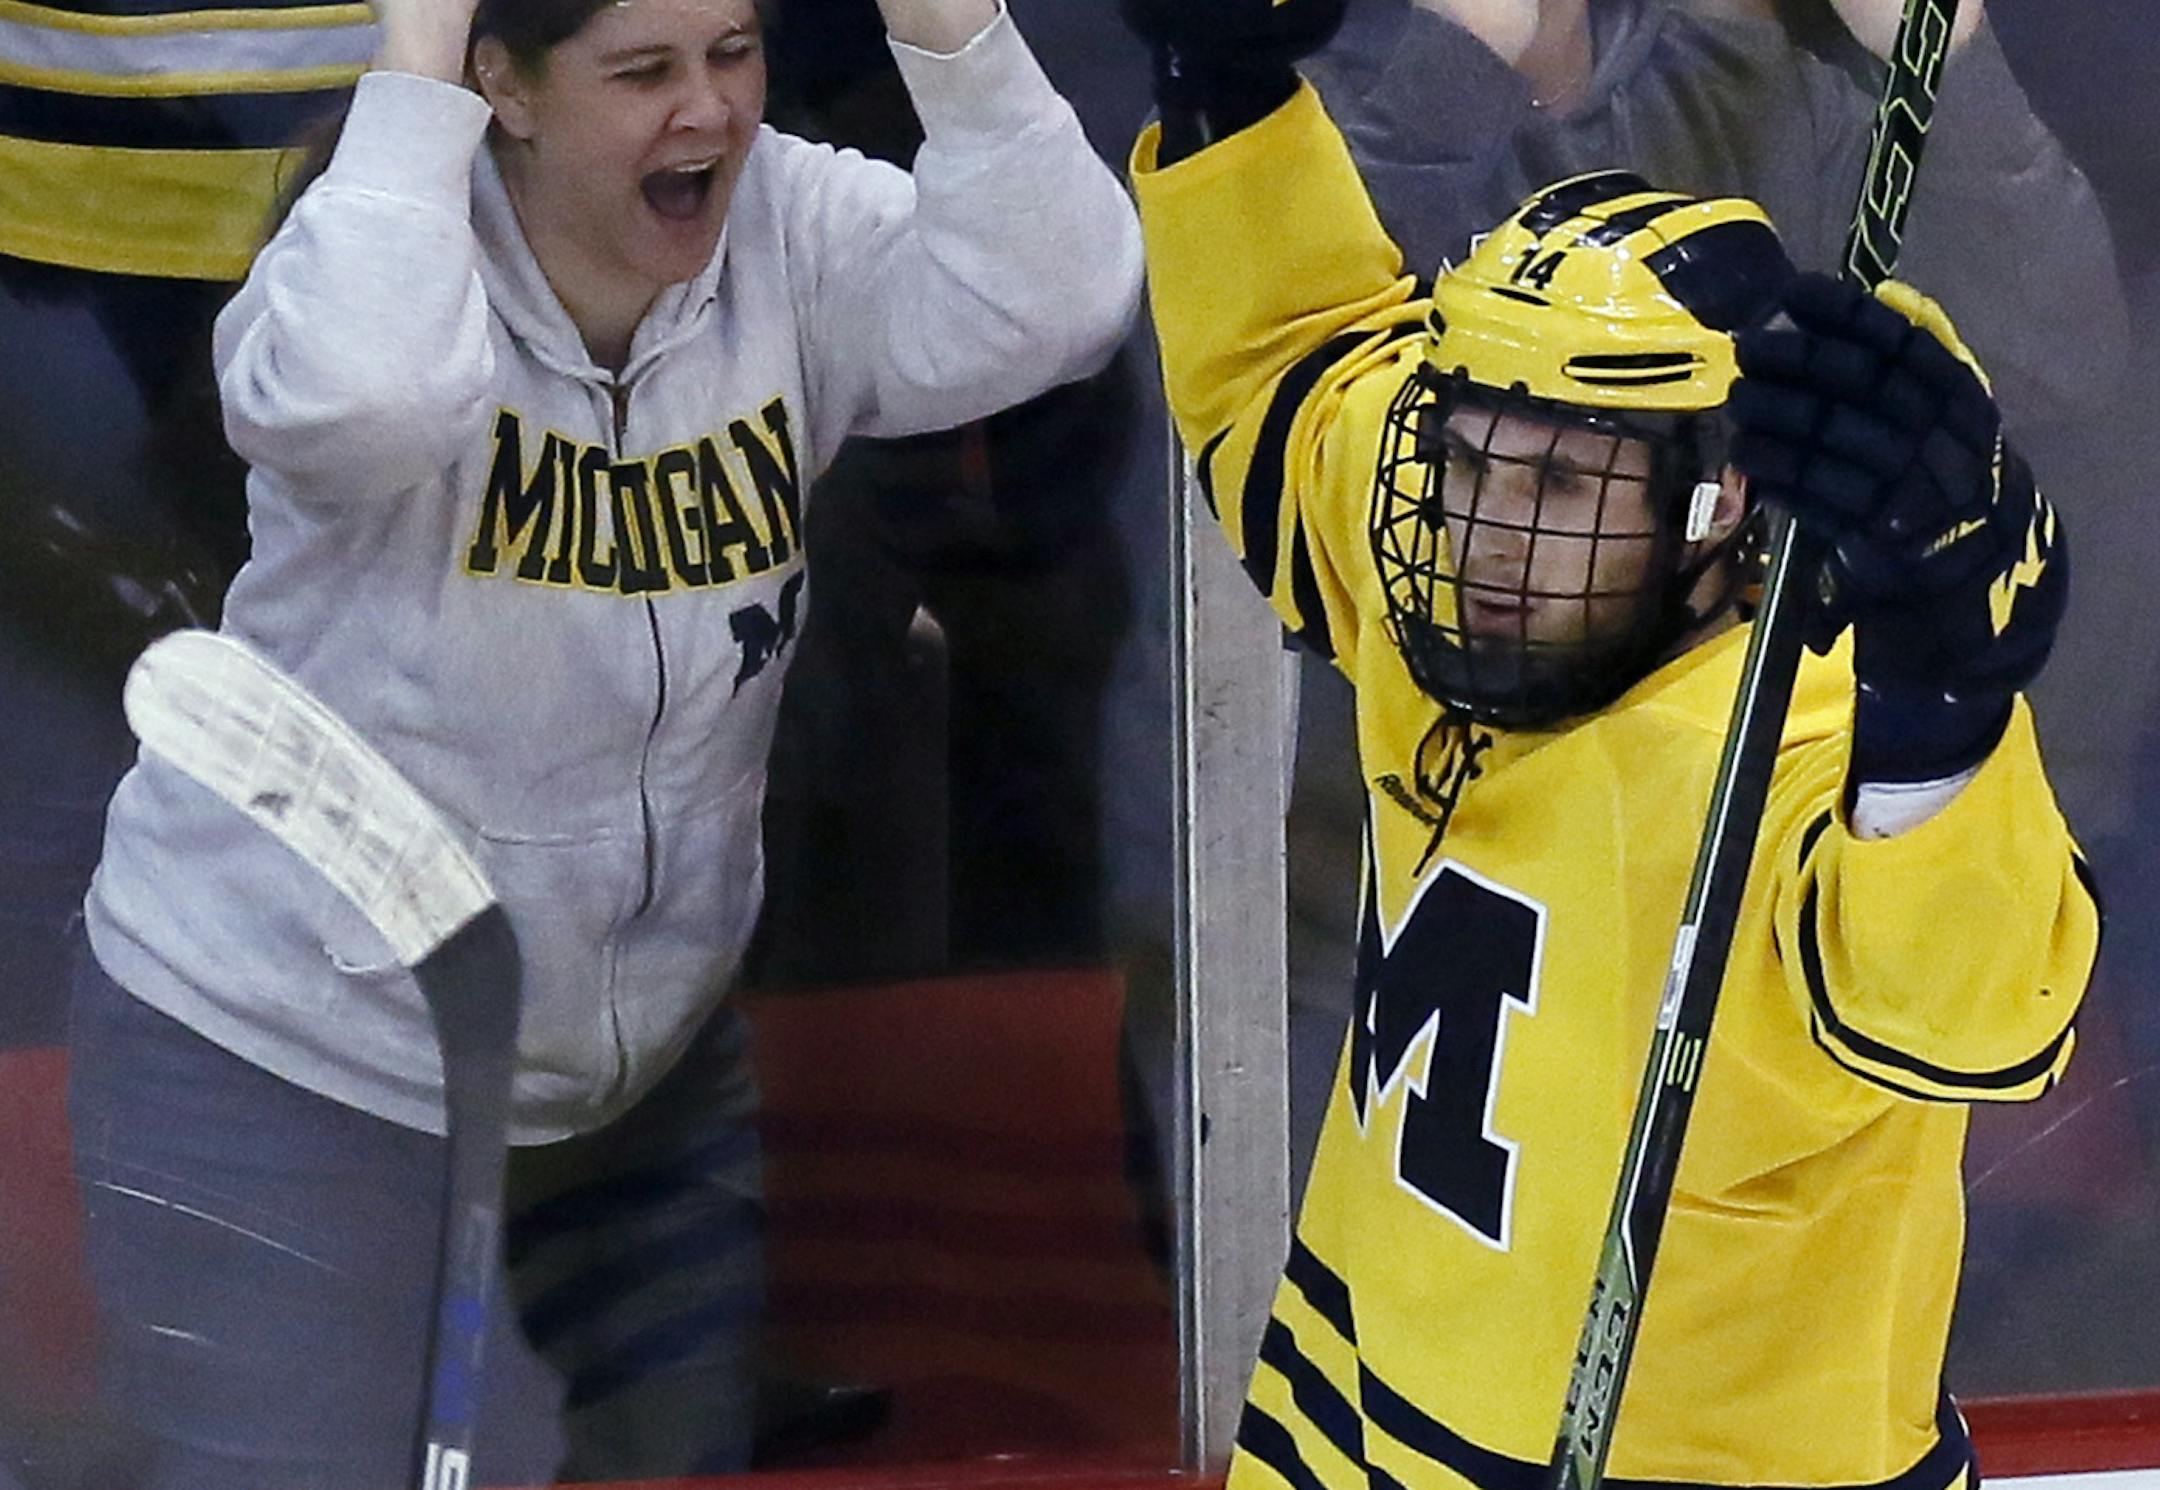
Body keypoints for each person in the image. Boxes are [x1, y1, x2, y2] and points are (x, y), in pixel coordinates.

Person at [65, 0, 1142, 1485]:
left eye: (732, 52)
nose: (707, 110)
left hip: (635, 1098)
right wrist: (417, 67)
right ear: (499, 85)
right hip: (289, 1069)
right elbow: (360, 401)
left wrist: (947, 24)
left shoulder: (794, 228)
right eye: (643, 73)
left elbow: (1066, 293)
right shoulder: (374, 265)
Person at [1115, 3, 2101, 1487]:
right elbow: (1294, 360)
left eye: (1567, 477)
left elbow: (1970, 1012)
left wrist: (1946, 698)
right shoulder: (1460, 572)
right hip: (1344, 1428)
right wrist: (1227, 97)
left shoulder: (1797, 736)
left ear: (1725, 505)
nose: (1488, 524)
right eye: (1462, 455)